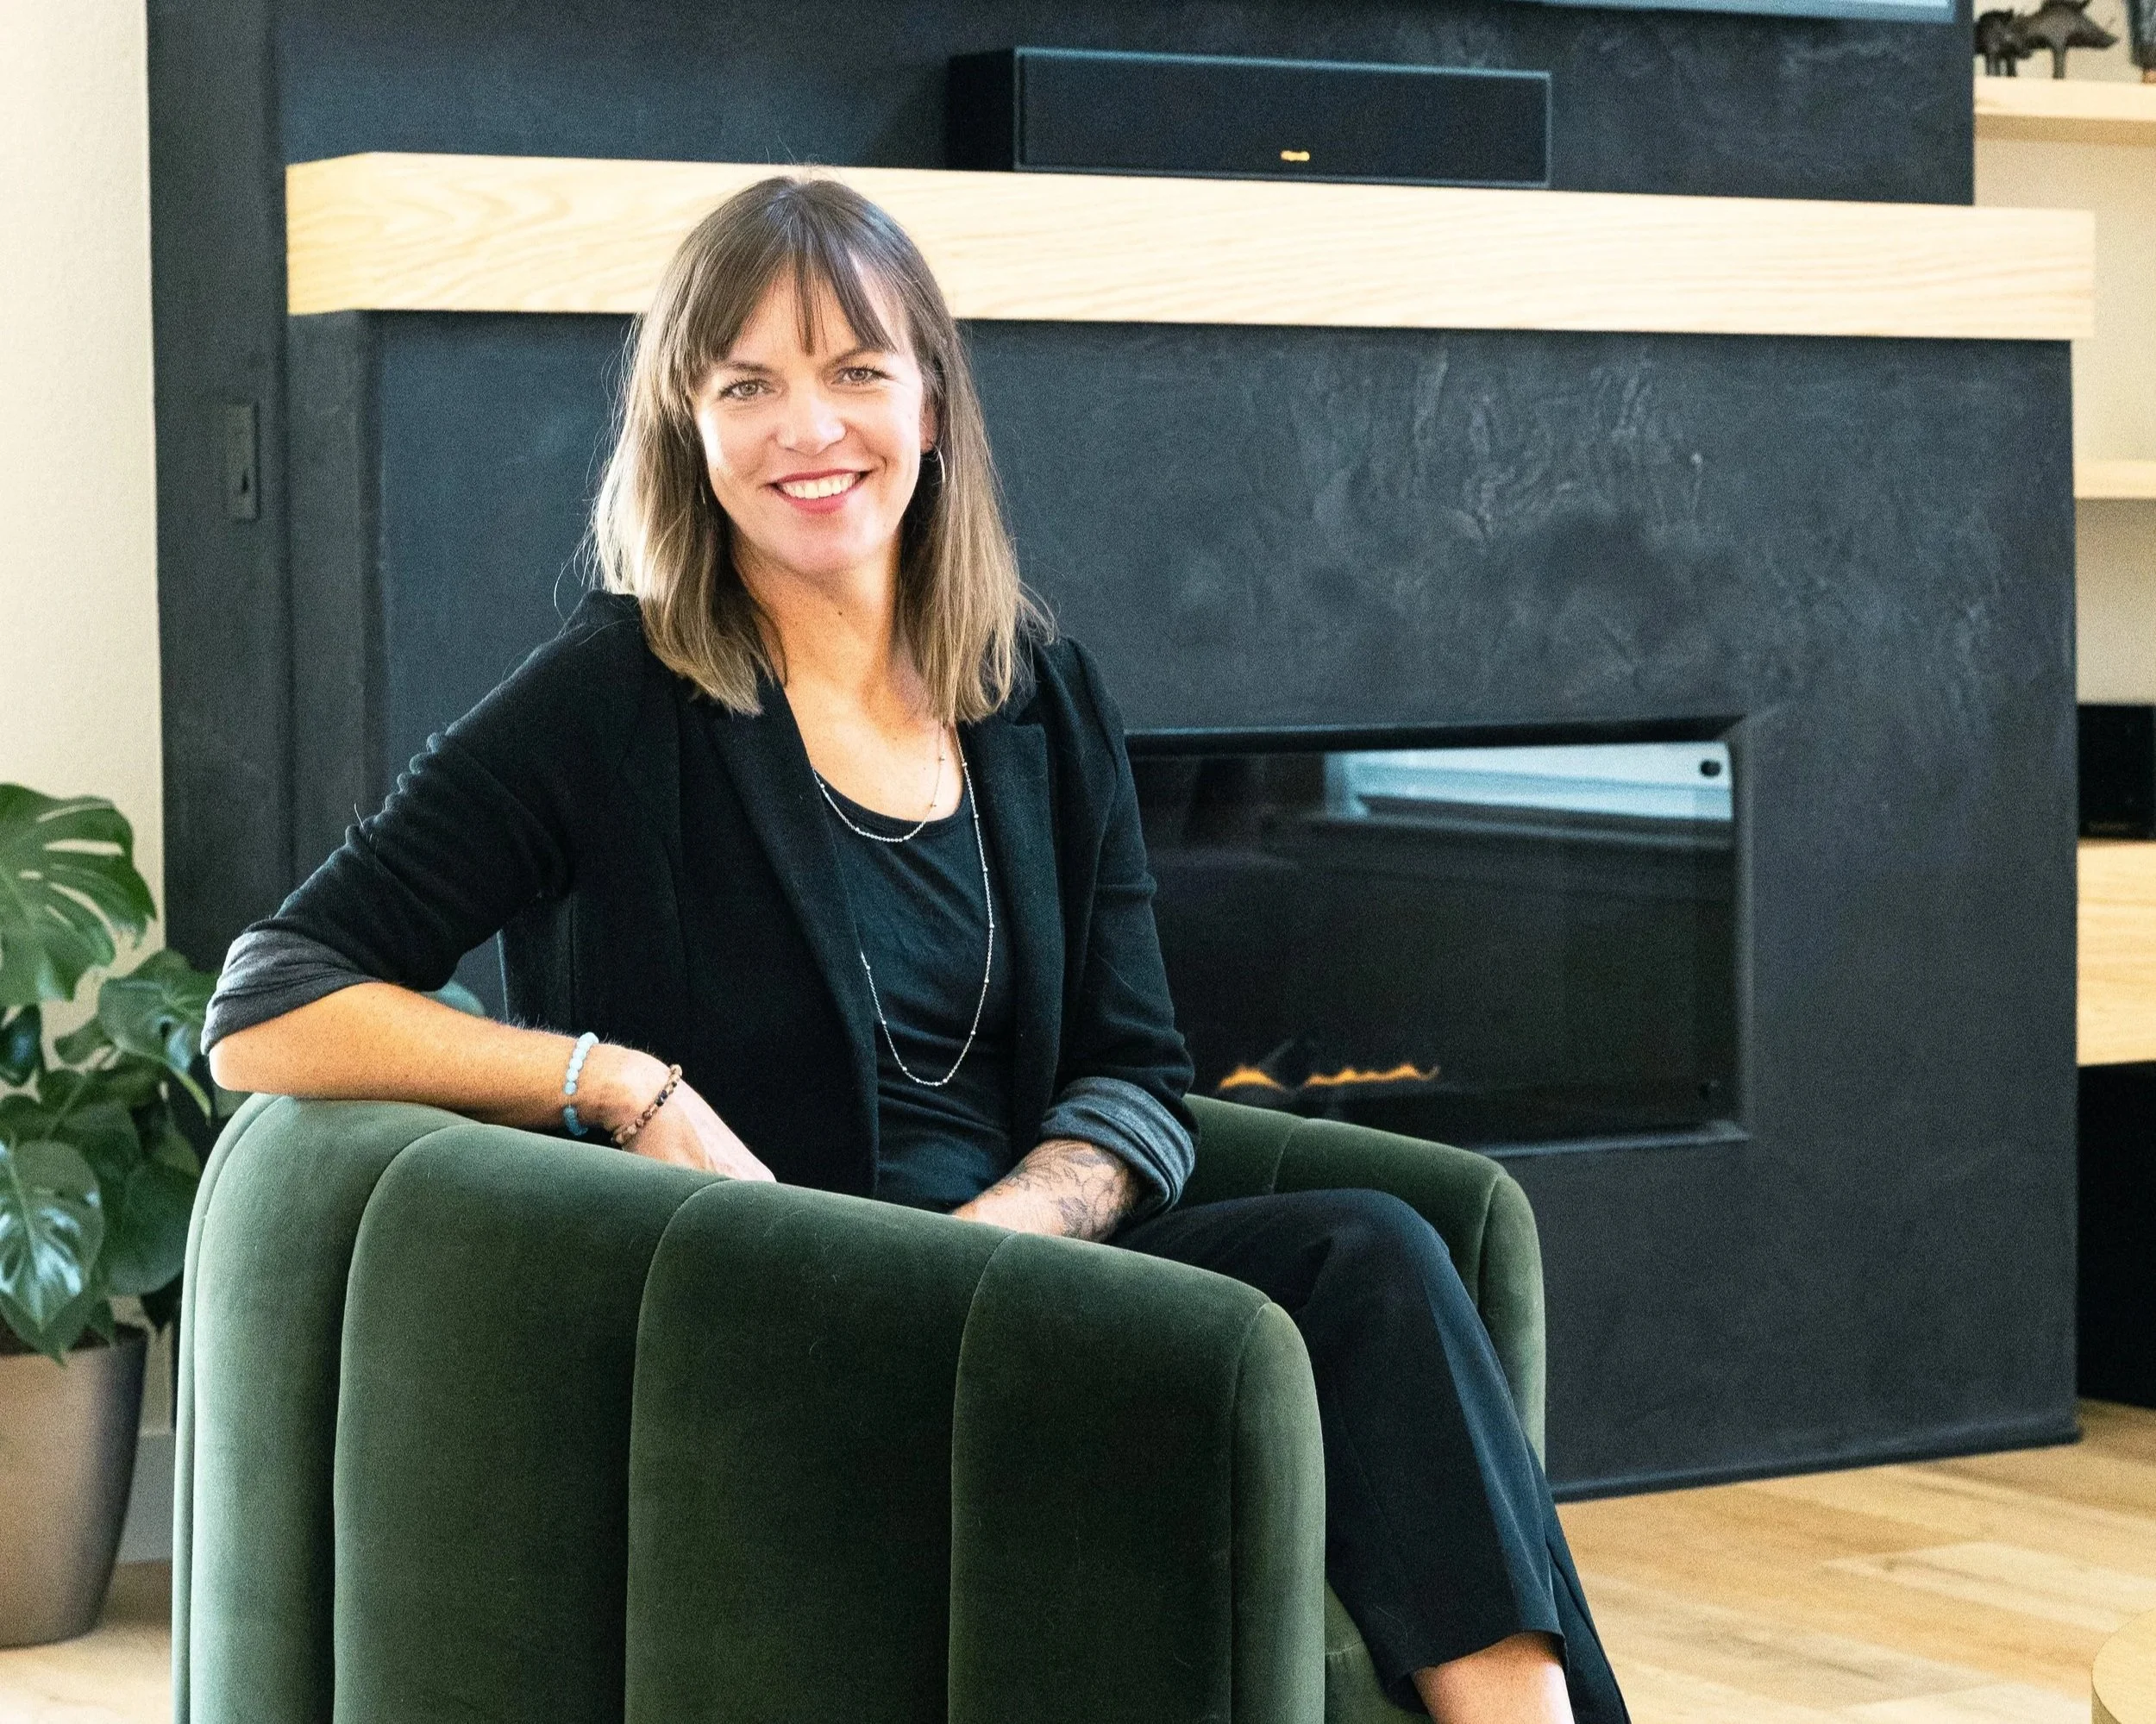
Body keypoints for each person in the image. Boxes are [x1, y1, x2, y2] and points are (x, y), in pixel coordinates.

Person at [204, 174, 1628, 1724]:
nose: (807, 429)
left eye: (855, 371)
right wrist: (615, 1085)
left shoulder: (1033, 693)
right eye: (747, 383)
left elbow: (1135, 1073)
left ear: (932, 403)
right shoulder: (608, 703)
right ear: (690, 426)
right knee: (1315, 1313)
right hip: (774, 1310)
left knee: (1376, 1257)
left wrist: (1002, 1235)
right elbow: (267, 1002)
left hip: (1019, 1283)